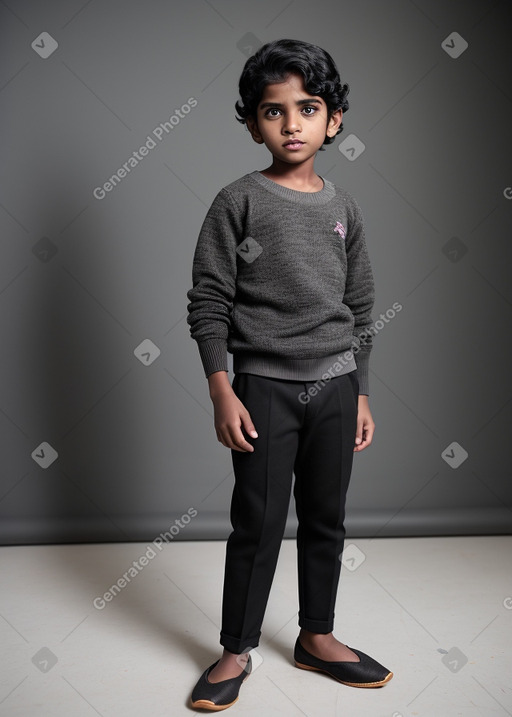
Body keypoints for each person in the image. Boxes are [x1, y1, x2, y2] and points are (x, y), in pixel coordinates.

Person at [186, 38, 393, 711]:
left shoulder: (345, 209)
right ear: (253, 124)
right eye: (274, 112)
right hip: (264, 389)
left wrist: (360, 390)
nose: (292, 123)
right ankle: (236, 647)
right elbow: (209, 302)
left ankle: (317, 636)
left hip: (335, 386)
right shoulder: (236, 203)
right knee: (258, 521)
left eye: (308, 108)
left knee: (327, 519)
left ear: (333, 119)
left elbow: (361, 307)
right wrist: (222, 387)